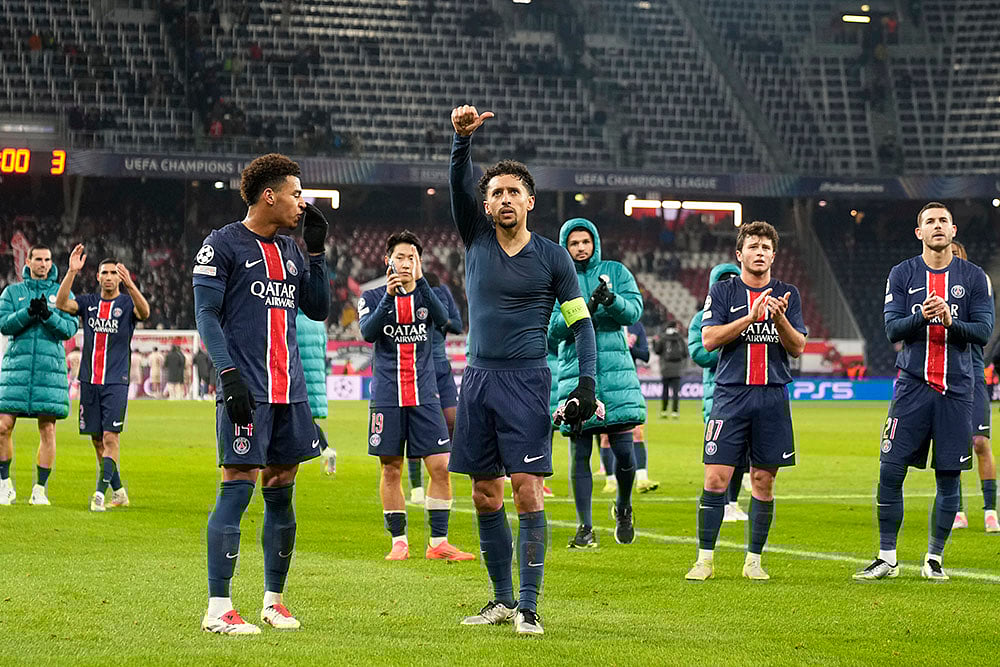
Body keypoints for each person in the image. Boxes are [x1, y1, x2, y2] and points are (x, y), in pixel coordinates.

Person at [448, 105, 598, 636]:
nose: (505, 199)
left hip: (527, 383)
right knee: (484, 493)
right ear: (485, 206)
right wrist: (461, 142)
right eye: (496, 193)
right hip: (478, 381)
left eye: (514, 191)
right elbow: (456, 184)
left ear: (530, 202)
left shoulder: (555, 259)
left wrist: (586, 384)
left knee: (527, 490)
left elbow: (581, 326)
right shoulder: (476, 239)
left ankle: (530, 607)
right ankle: (502, 600)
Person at [192, 153, 330, 634]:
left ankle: (274, 601)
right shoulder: (223, 244)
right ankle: (218, 608)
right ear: (269, 195)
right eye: (296, 193)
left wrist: (316, 254)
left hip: (290, 392)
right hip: (246, 390)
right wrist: (227, 372)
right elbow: (206, 314)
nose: (302, 203)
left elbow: (318, 308)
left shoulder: (292, 250)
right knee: (237, 486)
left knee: (281, 491)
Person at [854, 203, 993, 581]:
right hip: (912, 388)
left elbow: (983, 332)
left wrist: (951, 320)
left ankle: (934, 558)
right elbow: (893, 330)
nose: (936, 227)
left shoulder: (974, 277)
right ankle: (887, 557)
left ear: (953, 230)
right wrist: (924, 316)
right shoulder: (902, 273)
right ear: (919, 233)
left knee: (949, 476)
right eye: (929, 222)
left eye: (942, 221)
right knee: (890, 469)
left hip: (956, 390)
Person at [685, 221, 807, 582]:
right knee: (715, 477)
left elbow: (798, 347)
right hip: (731, 395)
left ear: (774, 254)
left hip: (772, 396)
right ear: (739, 254)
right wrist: (750, 317)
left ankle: (753, 560)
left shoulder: (788, 293)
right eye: (752, 246)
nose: (759, 253)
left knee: (764, 481)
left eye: (766, 247)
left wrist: (780, 319)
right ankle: (704, 559)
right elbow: (709, 339)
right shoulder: (723, 292)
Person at [359, 231, 474, 562]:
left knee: (440, 466)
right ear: (388, 261)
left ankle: (439, 542)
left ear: (419, 263)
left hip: (425, 394)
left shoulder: (428, 296)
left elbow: (446, 321)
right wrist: (390, 297)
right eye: (400, 257)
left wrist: (421, 285)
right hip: (387, 395)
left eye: (412, 258)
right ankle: (399, 541)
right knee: (391, 469)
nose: (405, 263)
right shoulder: (372, 296)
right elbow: (368, 333)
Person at [549, 218, 645, 549]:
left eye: (585, 242)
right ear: (566, 246)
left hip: (616, 374)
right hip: (576, 374)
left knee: (624, 454)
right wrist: (585, 309)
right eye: (573, 243)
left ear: (595, 243)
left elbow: (633, 312)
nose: (580, 248)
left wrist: (610, 300)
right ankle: (585, 527)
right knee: (580, 455)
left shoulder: (616, 271)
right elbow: (551, 330)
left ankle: (623, 505)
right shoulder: (556, 276)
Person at [55, 247, 150, 512]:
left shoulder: (127, 304)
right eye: (105, 273)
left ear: (119, 277)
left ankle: (99, 493)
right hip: (89, 380)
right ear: (97, 276)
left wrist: (131, 285)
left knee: (111, 438)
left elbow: (145, 313)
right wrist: (72, 271)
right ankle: (118, 492)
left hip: (116, 381)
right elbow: (61, 303)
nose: (109, 277)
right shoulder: (88, 304)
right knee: (97, 440)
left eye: (113, 273)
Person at [0, 245, 79, 506]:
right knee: (2, 427)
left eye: (47, 259)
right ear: (29, 261)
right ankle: (5, 485)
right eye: (38, 259)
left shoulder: (61, 293)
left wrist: (46, 315)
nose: (43, 263)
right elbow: (3, 324)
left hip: (49, 370)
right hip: (16, 370)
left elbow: (69, 328)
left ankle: (39, 490)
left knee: (48, 430)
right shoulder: (12, 292)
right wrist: (28, 312)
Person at [688, 262, 749, 523]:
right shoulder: (701, 318)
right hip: (718, 394)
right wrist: (731, 341)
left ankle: (732, 503)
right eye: (724, 280)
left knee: (742, 454)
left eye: (734, 279)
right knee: (720, 452)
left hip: (747, 392)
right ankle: (720, 502)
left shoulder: (751, 313)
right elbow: (699, 353)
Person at [949, 241, 998, 532]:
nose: (951, 258)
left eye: (956, 254)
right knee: (953, 445)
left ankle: (990, 509)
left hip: (973, 374)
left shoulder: (976, 284)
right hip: (945, 376)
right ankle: (956, 510)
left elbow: (983, 331)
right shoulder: (931, 287)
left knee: (980, 443)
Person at [405, 270, 463, 505]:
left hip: (441, 365)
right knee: (417, 428)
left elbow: (457, 325)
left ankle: (442, 472)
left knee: (453, 420)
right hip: (419, 367)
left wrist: (441, 319)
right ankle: (416, 485)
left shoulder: (442, 293)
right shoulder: (407, 295)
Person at [296, 306, 335, 475]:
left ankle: (325, 449)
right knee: (306, 419)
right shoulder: (318, 322)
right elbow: (324, 349)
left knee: (295, 418)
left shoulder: (292, 320)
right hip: (315, 376)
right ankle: (326, 450)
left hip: (298, 375)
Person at [653, 319, 687, 418]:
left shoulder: (663, 338)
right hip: (677, 369)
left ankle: (664, 410)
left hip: (665, 368)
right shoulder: (679, 338)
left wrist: (655, 342)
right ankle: (675, 412)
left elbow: (657, 351)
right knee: (676, 391)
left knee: (665, 390)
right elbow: (685, 353)